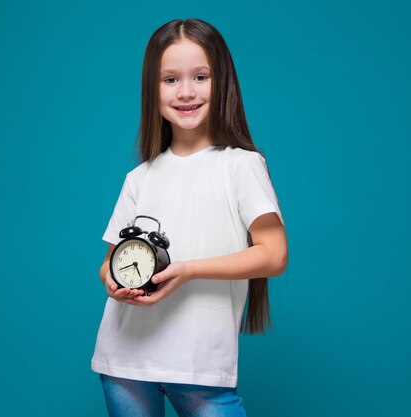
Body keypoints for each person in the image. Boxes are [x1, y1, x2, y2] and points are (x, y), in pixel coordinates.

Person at [91, 18, 288, 417]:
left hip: (199, 364)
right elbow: (111, 260)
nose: (186, 92)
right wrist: (112, 282)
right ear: (152, 88)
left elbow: (274, 254)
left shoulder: (241, 166)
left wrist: (189, 270)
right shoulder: (140, 176)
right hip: (124, 358)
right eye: (170, 80)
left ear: (223, 83)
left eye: (200, 76)